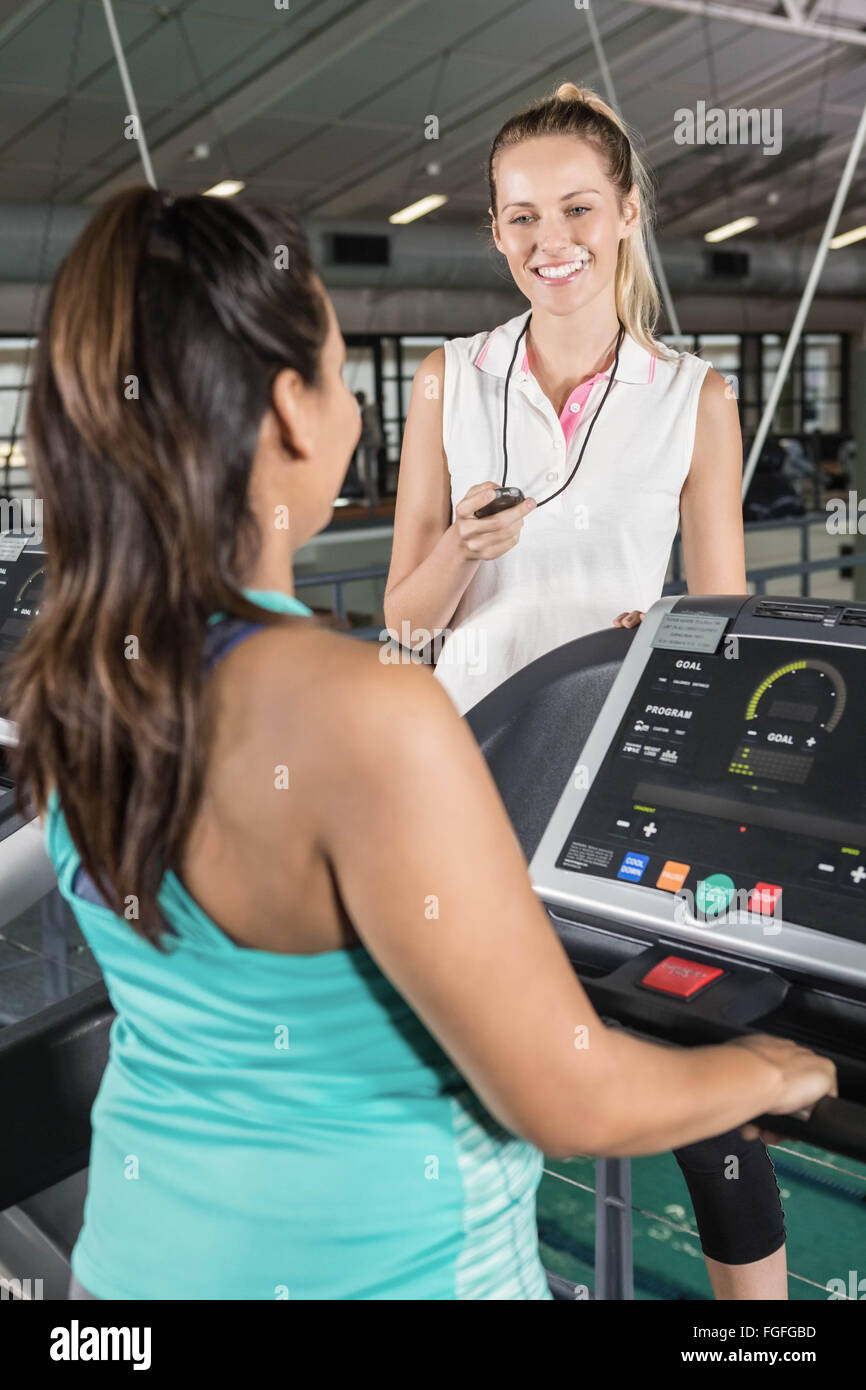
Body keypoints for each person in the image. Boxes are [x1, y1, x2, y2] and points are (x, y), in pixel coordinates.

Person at [6, 186, 834, 1302]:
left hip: (133, 1277)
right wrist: (765, 1070)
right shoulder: (366, 713)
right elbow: (567, 1098)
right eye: (341, 372)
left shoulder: (77, 678)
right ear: (295, 413)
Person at [384, 82, 794, 1299]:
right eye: (518, 218)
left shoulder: (693, 399)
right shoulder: (447, 380)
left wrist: (666, 634)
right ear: (494, 229)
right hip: (461, 788)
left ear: (624, 213)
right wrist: (457, 546)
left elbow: (725, 633)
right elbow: (402, 627)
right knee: (448, 1092)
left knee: (710, 1113)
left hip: (618, 792)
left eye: (573, 208)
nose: (546, 240)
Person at [354, 388, 383, 509]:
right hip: (368, 444)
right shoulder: (367, 410)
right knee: (366, 472)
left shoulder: (368, 410)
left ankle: (372, 499)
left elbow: (371, 429)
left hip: (369, 445)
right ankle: (371, 498)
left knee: (367, 472)